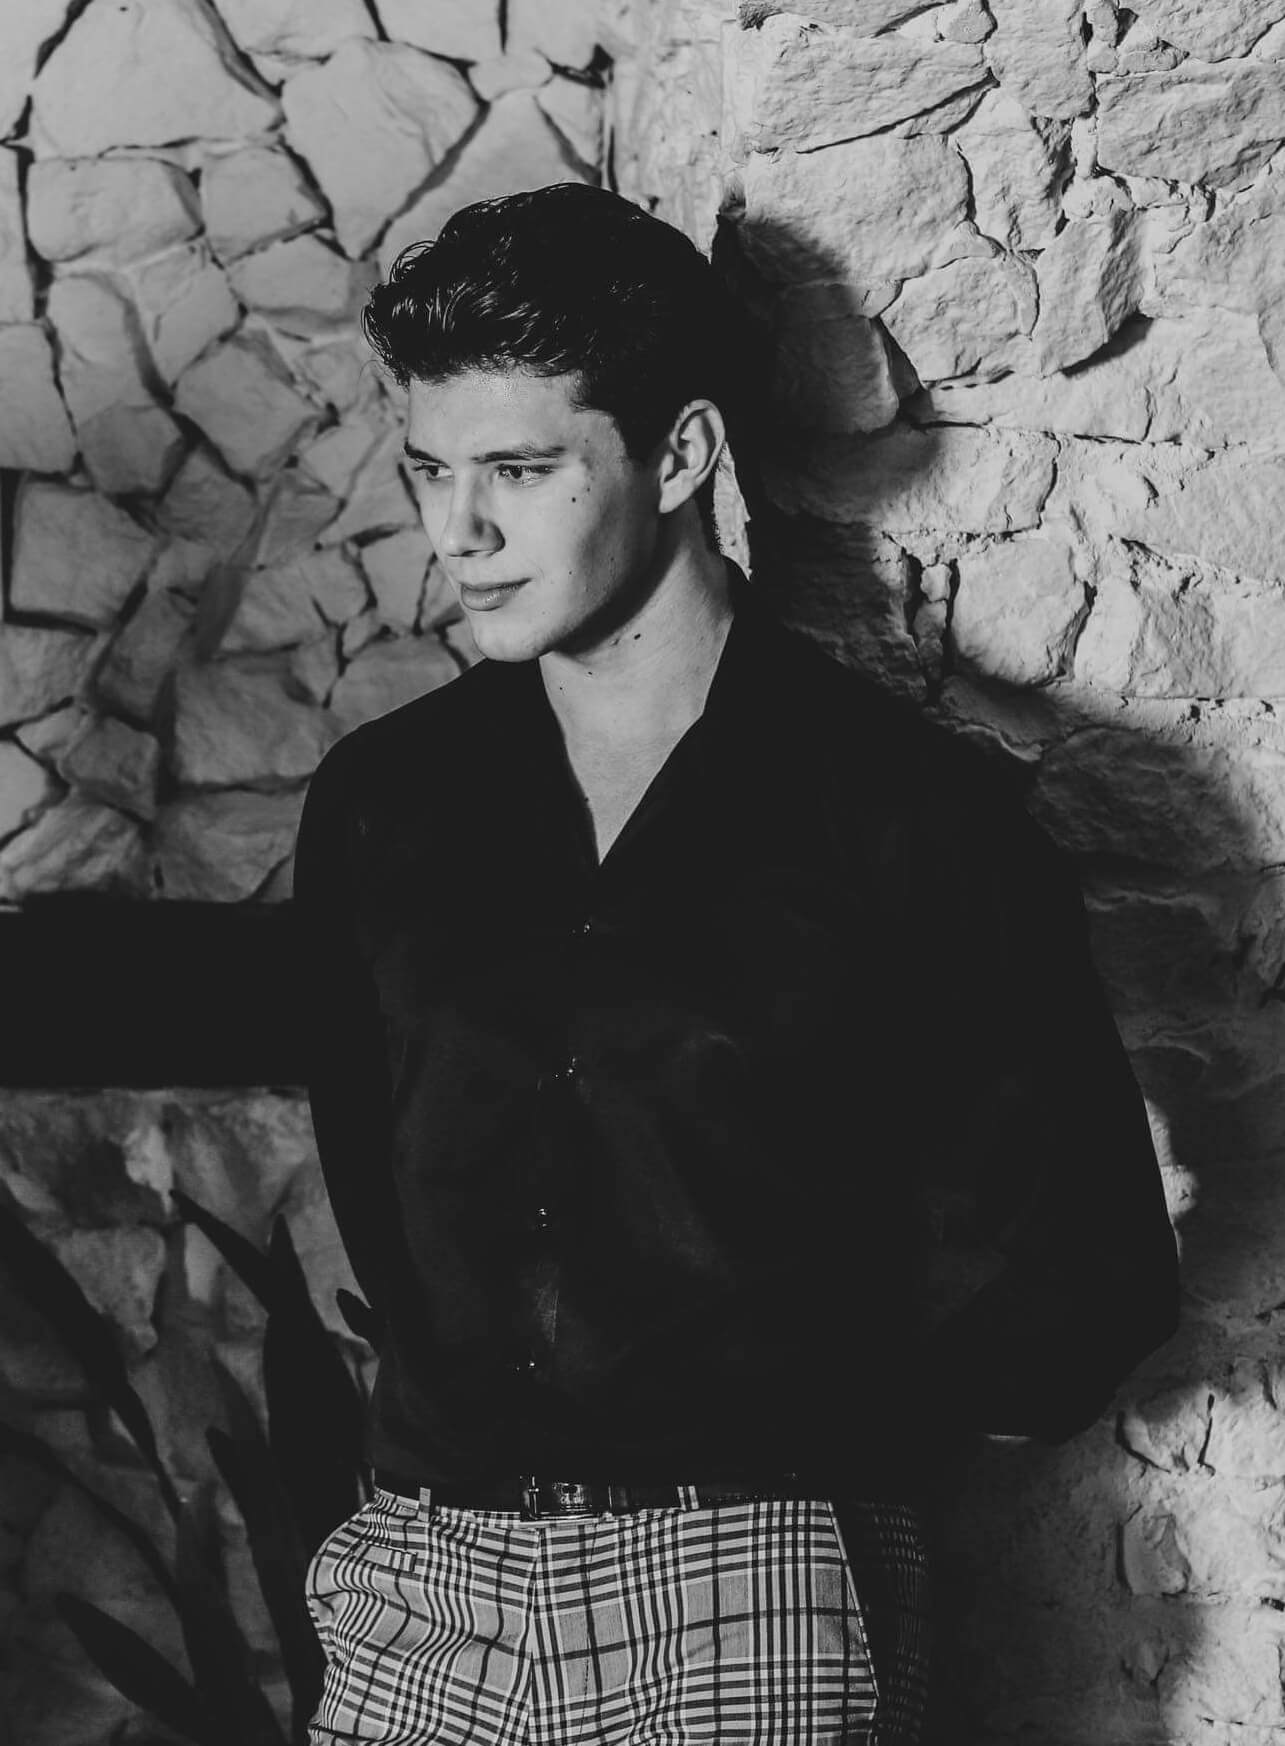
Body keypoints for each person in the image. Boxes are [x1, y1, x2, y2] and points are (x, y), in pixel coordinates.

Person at [292, 182, 1179, 1746]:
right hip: (424, 1577)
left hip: (746, 1575)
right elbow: (373, 1168)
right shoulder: (384, 801)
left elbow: (1083, 1271)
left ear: (681, 453)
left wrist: (803, 1427)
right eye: (430, 468)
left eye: (519, 470)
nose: (456, 529)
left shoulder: (901, 813)